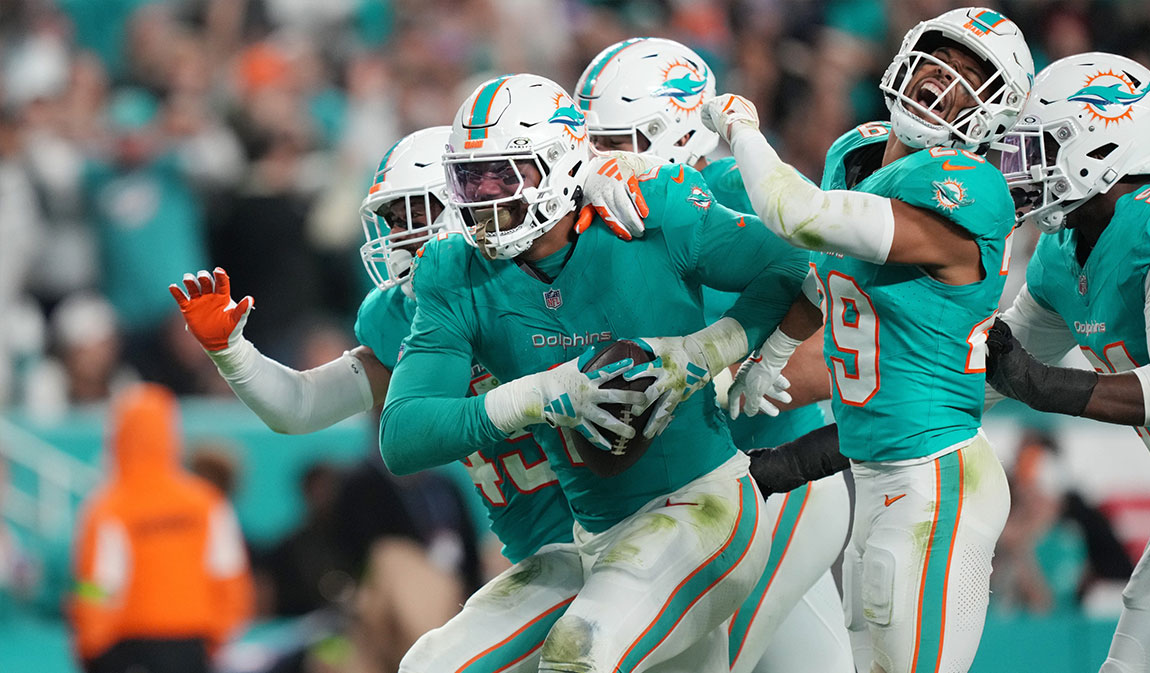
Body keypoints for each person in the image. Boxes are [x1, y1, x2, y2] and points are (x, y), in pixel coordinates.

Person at [378, 73, 809, 672]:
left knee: (580, 650)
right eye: (470, 178)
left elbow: (801, 259)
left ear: (558, 165)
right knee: (429, 665)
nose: (484, 197)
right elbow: (403, 437)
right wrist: (543, 394)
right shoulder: (453, 270)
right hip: (593, 538)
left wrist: (711, 351)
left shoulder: (650, 205)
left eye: (505, 174)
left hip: (702, 506)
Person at [171, 126, 590, 672]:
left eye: (408, 214)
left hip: (619, 528)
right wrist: (232, 352)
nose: (395, 236)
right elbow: (301, 406)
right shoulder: (401, 317)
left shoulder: (547, 282)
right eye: (390, 220)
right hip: (544, 556)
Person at [702, 7, 1034, 672]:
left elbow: (798, 217)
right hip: (876, 469)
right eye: (941, 61)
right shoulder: (858, 153)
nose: (945, 83)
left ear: (993, 113)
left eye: (973, 77)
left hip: (935, 476)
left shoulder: (971, 187)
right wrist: (769, 355)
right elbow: (827, 277)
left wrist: (739, 126)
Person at [574, 36, 852, 673]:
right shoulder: (586, 214)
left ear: (676, 131)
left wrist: (728, 370)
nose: (600, 158)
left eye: (616, 141)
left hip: (770, 484)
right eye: (591, 141)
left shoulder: (737, 190)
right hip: (670, 500)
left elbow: (836, 336)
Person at [981, 52, 1150, 673]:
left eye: (1042, 145)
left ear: (1104, 145)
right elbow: (985, 377)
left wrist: (1046, 386)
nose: (1019, 166)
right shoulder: (1061, 252)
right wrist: (846, 428)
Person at [68, 383, 253, 673]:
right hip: (193, 644)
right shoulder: (205, 502)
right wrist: (219, 636)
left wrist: (90, 646)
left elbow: (97, 585)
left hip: (126, 647)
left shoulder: (106, 508)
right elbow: (229, 573)